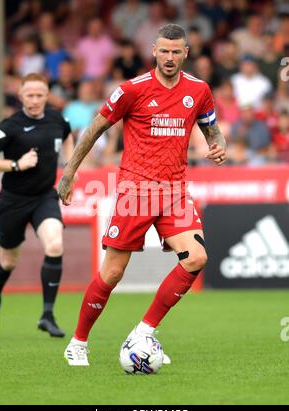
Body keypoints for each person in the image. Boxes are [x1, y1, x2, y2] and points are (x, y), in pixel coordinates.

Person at [57, 24, 226, 366]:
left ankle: (144, 331)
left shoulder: (199, 89)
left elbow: (211, 128)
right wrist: (70, 171)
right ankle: (78, 341)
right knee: (113, 273)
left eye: (176, 51)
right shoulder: (132, 90)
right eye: (163, 51)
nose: (169, 57)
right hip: (136, 190)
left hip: (175, 191)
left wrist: (216, 144)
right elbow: (94, 128)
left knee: (196, 257)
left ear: (186, 54)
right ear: (153, 51)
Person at [0, 73, 74, 337]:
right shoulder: (8, 126)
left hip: (44, 197)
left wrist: (69, 171)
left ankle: (47, 315)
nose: (35, 100)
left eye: (40, 95)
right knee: (8, 261)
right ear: (21, 96)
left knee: (55, 244)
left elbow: (68, 137)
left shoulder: (58, 119)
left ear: (47, 95)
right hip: (13, 201)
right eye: (30, 95)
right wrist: (16, 164)